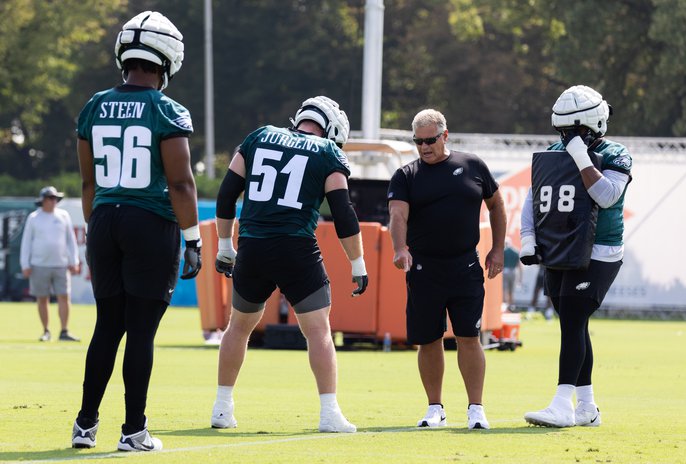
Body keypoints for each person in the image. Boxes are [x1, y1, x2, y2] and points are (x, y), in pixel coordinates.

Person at [71, 11, 202, 451]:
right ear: (167, 62)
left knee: (107, 326)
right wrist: (194, 239)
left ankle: (85, 426)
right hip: (149, 220)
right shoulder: (167, 108)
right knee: (141, 330)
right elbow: (181, 182)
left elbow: (88, 183)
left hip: (104, 219)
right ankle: (133, 431)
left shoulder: (94, 104)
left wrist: (98, 232)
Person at [211, 96, 368, 433]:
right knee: (318, 331)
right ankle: (329, 413)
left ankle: (222, 408)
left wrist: (226, 246)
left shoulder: (259, 137)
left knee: (237, 327)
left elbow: (226, 195)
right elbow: (343, 213)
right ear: (331, 130)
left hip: (252, 246)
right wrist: (358, 263)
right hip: (296, 248)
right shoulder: (327, 152)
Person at [520, 85, 632, 428]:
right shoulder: (554, 152)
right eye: (564, 131)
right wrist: (528, 238)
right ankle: (587, 407)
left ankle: (562, 403)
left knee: (572, 318)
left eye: (575, 131)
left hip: (599, 249)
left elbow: (608, 196)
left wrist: (582, 156)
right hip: (561, 247)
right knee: (574, 324)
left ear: (593, 125)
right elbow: (532, 199)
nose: (568, 138)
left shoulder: (616, 153)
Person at [388, 109, 506, 430]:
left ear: (445, 135)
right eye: (418, 142)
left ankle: (476, 409)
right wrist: (400, 248)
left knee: (469, 336)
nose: (424, 147)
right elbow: (397, 216)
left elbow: (496, 205)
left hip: (465, 266)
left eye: (430, 140)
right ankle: (435, 408)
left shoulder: (472, 165)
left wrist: (497, 249)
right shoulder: (406, 175)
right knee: (429, 340)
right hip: (424, 269)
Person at [20, 186, 81, 342]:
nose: (54, 201)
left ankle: (64, 331)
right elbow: (26, 242)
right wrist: (25, 264)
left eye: (55, 198)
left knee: (64, 297)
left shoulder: (63, 216)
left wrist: (74, 260)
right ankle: (46, 331)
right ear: (43, 201)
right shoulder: (34, 218)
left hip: (61, 264)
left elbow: (70, 240)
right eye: (50, 198)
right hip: (39, 264)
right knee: (42, 298)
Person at [502, 237, 521, 308]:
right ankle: (511, 305)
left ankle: (505, 304)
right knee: (511, 289)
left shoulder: (503, 251)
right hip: (513, 271)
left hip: (505, 271)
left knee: (504, 289)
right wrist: (520, 278)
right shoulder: (516, 251)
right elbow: (519, 266)